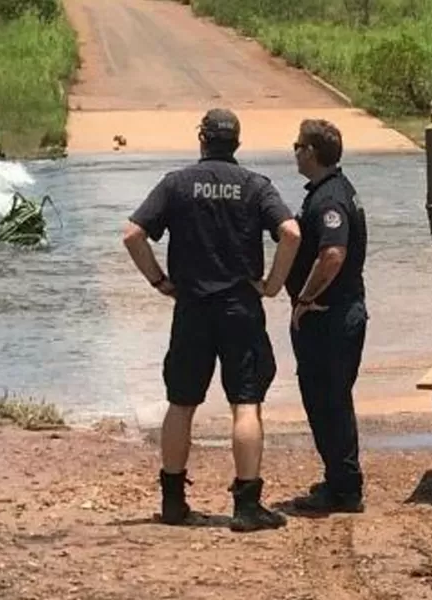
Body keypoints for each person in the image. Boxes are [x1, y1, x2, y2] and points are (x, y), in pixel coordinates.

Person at [121, 108, 302, 532]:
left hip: (192, 308)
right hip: (240, 308)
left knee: (181, 403)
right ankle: (246, 505)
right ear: (236, 143)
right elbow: (291, 232)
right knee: (245, 403)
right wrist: (274, 284)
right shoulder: (255, 186)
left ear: (202, 138)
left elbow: (132, 234)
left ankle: (172, 502)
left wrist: (158, 281)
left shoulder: (176, 184)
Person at [284, 119, 369, 513]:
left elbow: (333, 254)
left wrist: (304, 298)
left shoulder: (329, 200)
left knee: (328, 399)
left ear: (312, 152)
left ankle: (344, 489)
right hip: (337, 312)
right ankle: (339, 479)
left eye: (298, 145)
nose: (294, 151)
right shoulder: (331, 191)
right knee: (330, 399)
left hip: (329, 315)